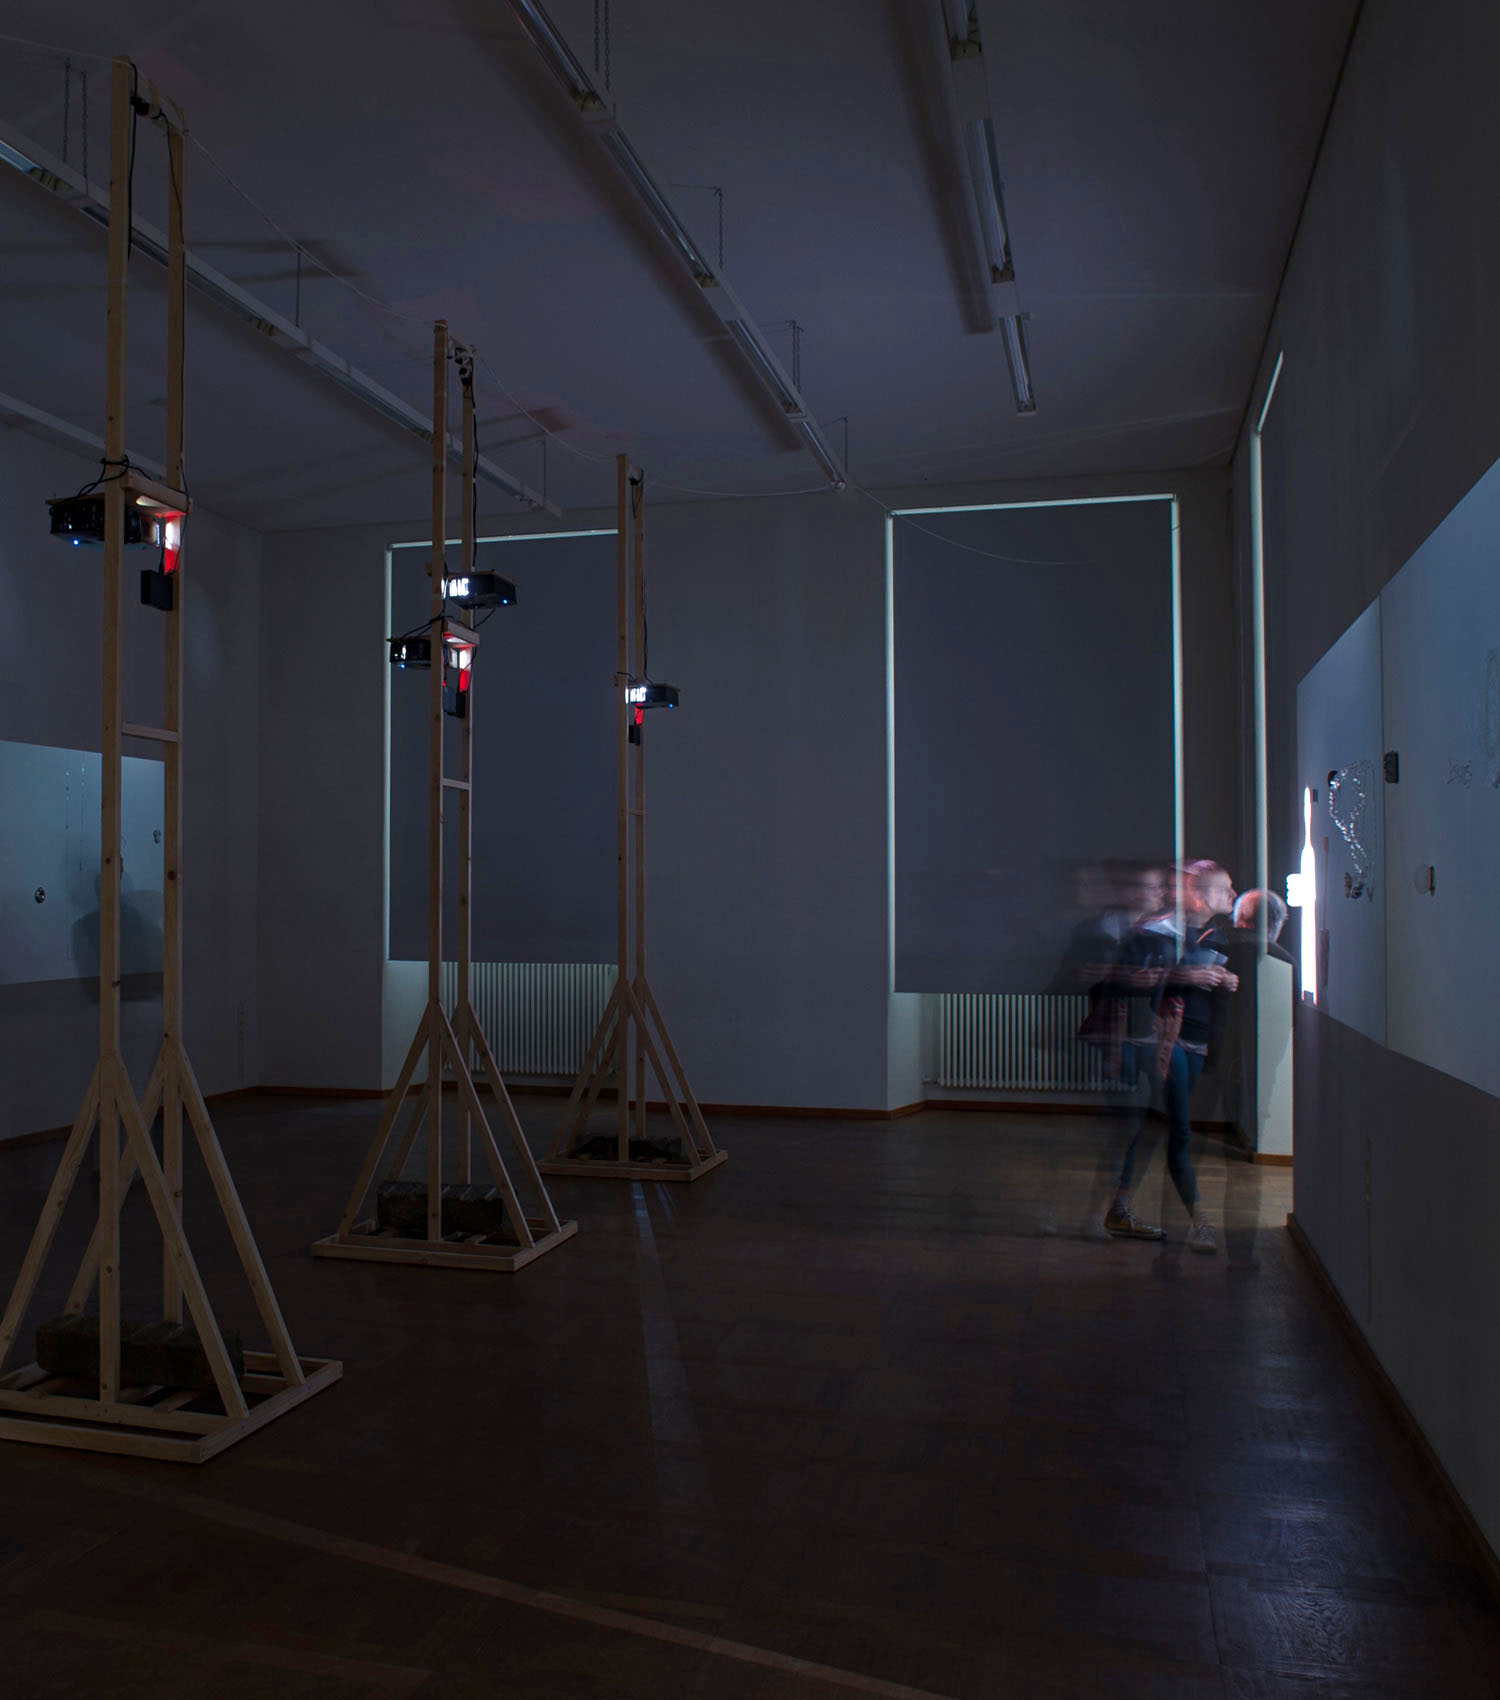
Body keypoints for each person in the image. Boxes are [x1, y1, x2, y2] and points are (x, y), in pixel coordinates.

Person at [1104, 860, 1239, 1252]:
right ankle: (1200, 1223)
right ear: (1199, 894)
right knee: (1178, 1129)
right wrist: (1187, 976)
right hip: (1166, 1040)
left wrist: (1223, 980)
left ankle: (1120, 1206)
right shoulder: (1156, 931)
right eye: (1224, 889)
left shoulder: (1214, 935)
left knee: (1157, 1128)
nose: (1232, 895)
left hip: (1196, 1040)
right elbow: (1125, 981)